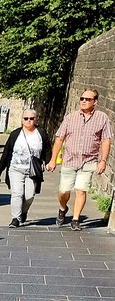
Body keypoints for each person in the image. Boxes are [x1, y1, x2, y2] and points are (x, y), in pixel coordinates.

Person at [47, 88, 111, 230]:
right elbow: (59, 139)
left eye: (87, 99)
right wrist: (53, 160)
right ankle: (63, 208)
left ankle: (75, 220)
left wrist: (103, 160)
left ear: (95, 102)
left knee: (81, 190)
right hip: (70, 160)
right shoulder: (70, 117)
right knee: (64, 191)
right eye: (82, 98)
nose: (83, 101)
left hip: (89, 161)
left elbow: (106, 140)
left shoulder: (102, 118)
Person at [0, 109, 50, 227]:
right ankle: (15, 218)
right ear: (22, 120)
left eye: (31, 118)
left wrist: (49, 162)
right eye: (26, 118)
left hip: (32, 170)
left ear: (36, 119)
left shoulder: (41, 133)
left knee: (29, 196)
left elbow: (47, 149)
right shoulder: (15, 134)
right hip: (15, 168)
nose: (29, 121)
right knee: (17, 193)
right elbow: (6, 152)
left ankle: (24, 212)